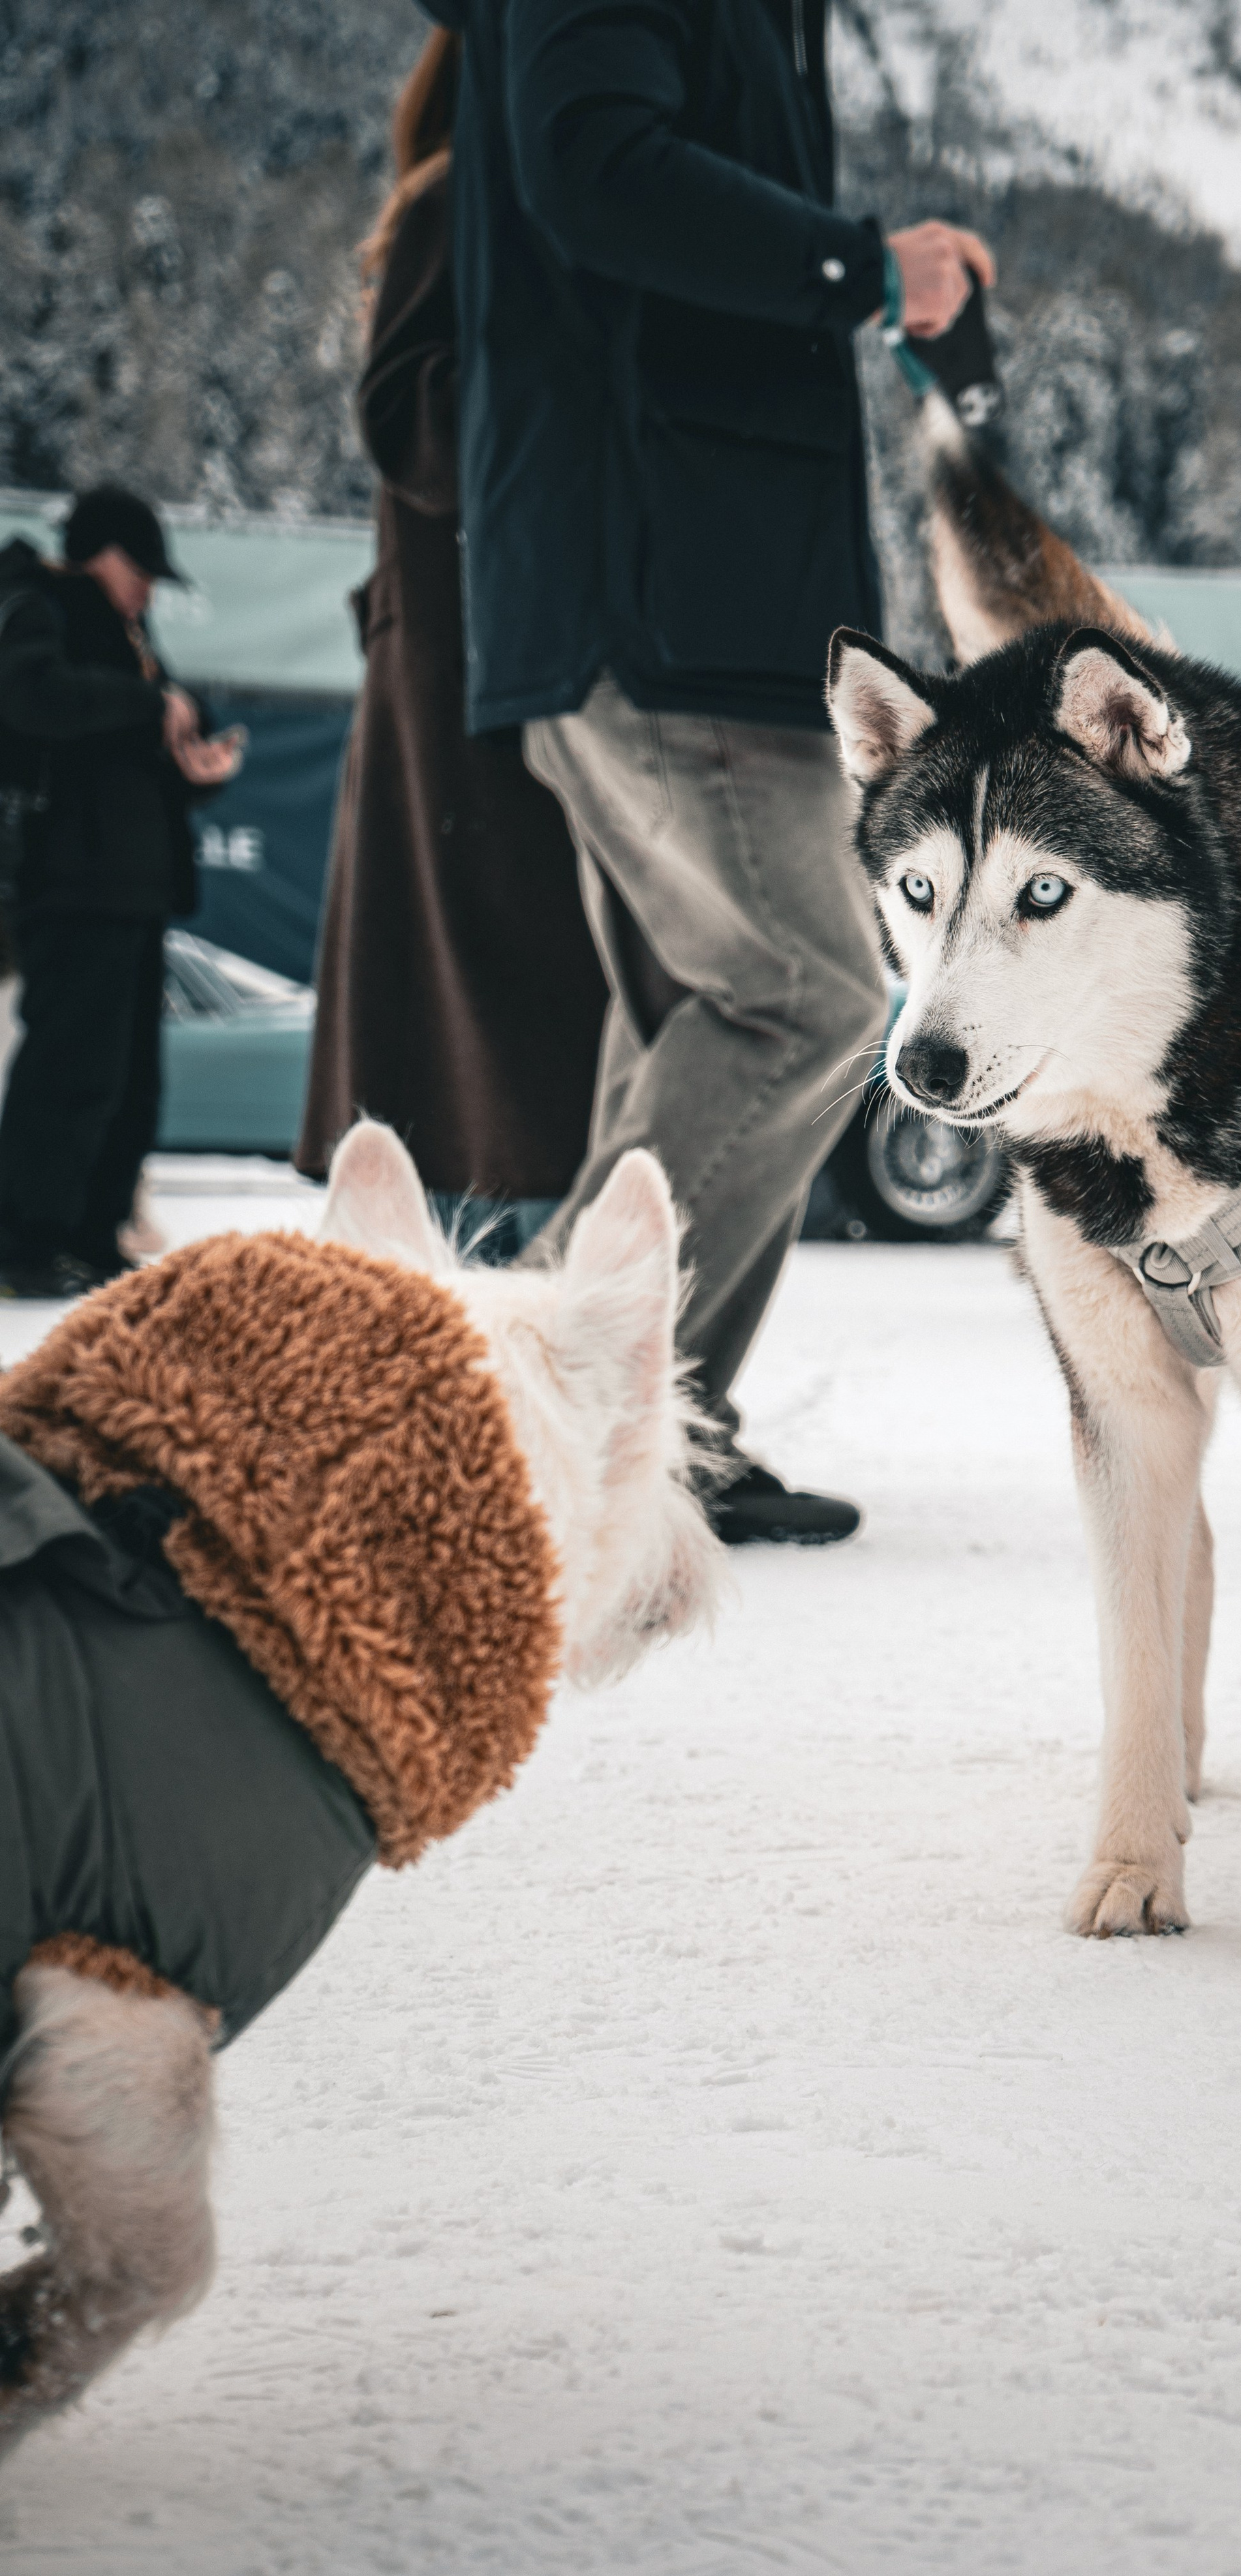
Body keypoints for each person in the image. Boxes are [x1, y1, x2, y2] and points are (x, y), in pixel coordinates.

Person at [426, 0, 992, 1545]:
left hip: (675, 579)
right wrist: (860, 266)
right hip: (663, 588)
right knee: (801, 992)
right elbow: (596, 168)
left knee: (700, 1006)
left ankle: (641, 1427)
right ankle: (524, 1424)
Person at [296, 28, 610, 1254]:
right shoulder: (463, 198)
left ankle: (488, 1241)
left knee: (483, 986)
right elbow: (407, 413)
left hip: (475, 646)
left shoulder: (488, 199)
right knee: (479, 976)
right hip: (465, 659)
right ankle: (482, 1256)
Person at [0, 487, 241, 1299]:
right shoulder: (40, 606)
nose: (148, 589)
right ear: (97, 552)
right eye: (140, 569)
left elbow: (146, 744)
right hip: (71, 883)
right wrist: (150, 703)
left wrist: (195, 768)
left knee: (131, 1083)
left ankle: (93, 1237)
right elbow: (30, 697)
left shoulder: (129, 635)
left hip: (135, 889)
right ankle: (25, 1241)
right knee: (68, 1070)